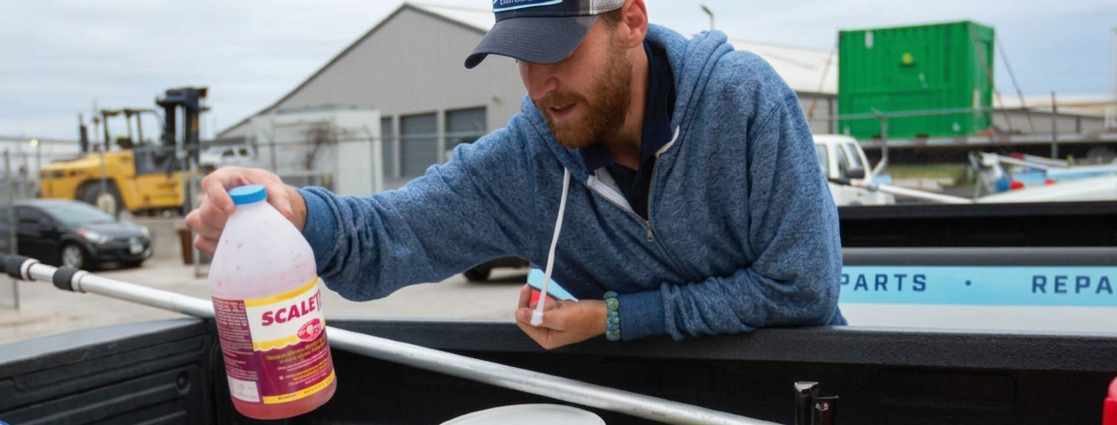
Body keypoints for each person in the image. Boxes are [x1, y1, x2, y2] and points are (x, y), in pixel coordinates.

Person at [186, 0, 843, 349]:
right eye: (520, 57)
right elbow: (383, 241)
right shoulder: (523, 162)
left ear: (631, 21)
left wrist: (611, 318)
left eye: (557, 49)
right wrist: (295, 212)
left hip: (799, 403)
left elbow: (802, 289)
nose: (539, 84)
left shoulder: (742, 101)